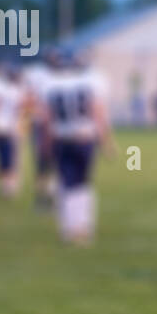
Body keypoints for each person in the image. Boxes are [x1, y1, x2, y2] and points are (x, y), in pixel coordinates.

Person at [41, 48, 112, 245]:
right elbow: (97, 112)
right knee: (82, 183)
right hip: (84, 137)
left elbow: (47, 118)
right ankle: (82, 227)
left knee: (66, 183)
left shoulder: (50, 85)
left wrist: (45, 144)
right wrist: (106, 141)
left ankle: (69, 227)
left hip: (62, 137)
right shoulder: (88, 82)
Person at [0, 63, 24, 198]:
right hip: (5, 129)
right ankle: (7, 188)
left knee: (4, 161)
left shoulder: (0, 88)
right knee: (7, 161)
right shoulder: (14, 91)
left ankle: (5, 187)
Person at [25, 51, 57, 209]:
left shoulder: (55, 77)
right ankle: (42, 196)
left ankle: (50, 195)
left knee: (52, 162)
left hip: (55, 125)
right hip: (43, 124)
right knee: (42, 162)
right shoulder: (38, 76)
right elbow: (29, 100)